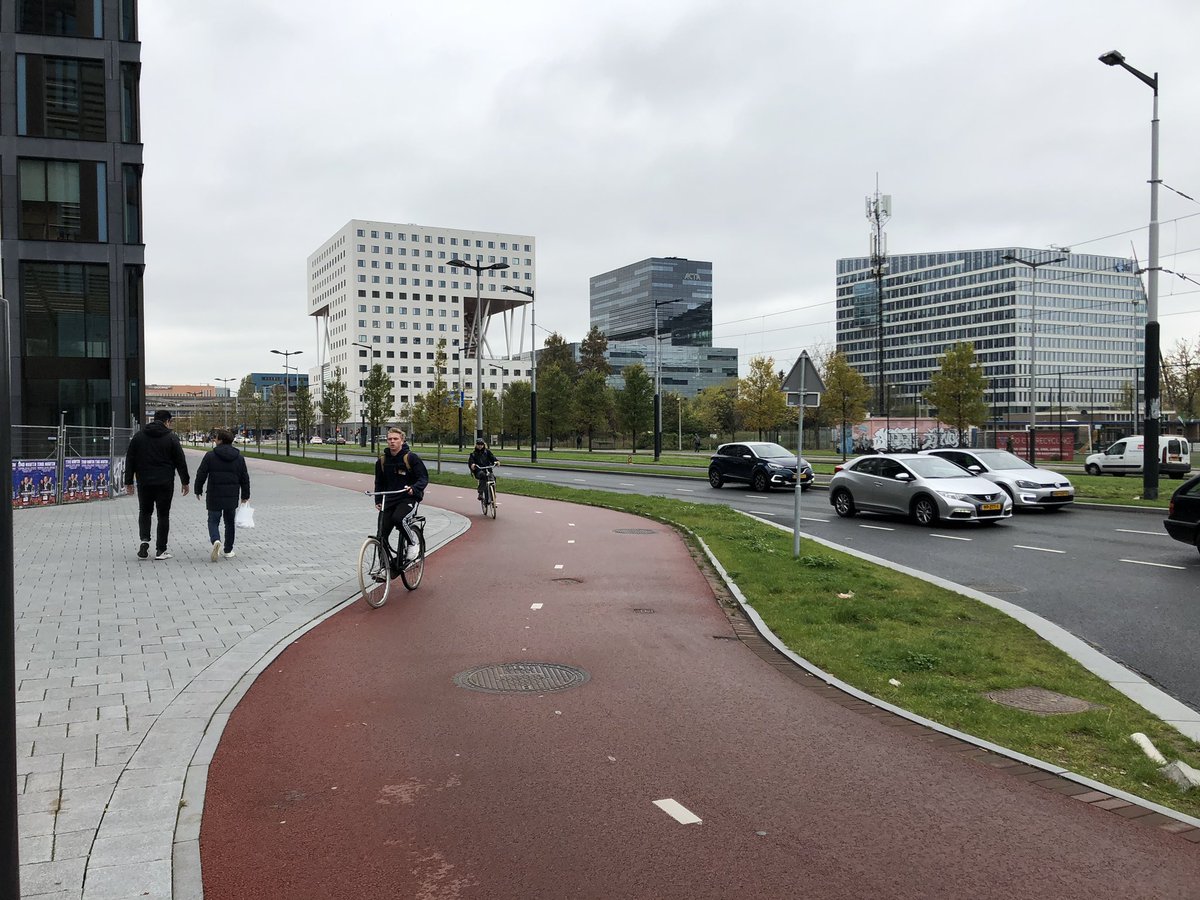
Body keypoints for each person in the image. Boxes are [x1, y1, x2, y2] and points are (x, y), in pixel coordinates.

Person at [125, 410, 190, 560]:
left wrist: (129, 481)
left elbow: (130, 459)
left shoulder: (138, 437)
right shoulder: (171, 438)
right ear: (167, 421)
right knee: (163, 515)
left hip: (144, 481)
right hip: (165, 482)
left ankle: (144, 541)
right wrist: (185, 481)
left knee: (145, 511)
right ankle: (161, 550)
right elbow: (180, 460)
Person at [374, 427, 429, 571]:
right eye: (389, 439)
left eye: (395, 439)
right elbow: (379, 482)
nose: (392, 442)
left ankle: (413, 544)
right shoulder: (382, 461)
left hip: (408, 498)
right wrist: (378, 500)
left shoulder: (410, 458)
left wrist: (414, 488)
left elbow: (423, 477)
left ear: (402, 440)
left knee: (399, 519)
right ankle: (384, 568)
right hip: (389, 499)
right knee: (381, 535)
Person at [194, 429, 251, 562]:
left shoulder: (210, 456)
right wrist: (245, 495)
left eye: (216, 438)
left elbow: (201, 473)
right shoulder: (239, 458)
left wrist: (198, 489)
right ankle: (228, 550)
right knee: (229, 523)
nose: (214, 440)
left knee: (213, 520)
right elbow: (245, 478)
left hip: (214, 494)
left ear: (220, 440)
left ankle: (215, 540)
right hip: (232, 495)